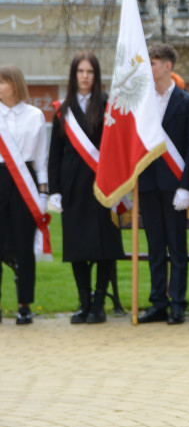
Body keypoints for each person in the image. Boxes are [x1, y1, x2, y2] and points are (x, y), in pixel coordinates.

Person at [47, 52, 125, 324]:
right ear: (73, 74)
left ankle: (99, 303)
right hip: (73, 188)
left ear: (96, 75)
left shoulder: (108, 105)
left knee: (104, 247)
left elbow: (118, 148)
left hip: (103, 186)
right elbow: (55, 154)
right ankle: (84, 302)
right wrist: (54, 190)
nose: (85, 76)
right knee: (77, 248)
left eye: (90, 71)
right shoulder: (62, 109)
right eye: (80, 71)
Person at [137, 42, 189, 325]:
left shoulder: (187, 102)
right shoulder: (142, 103)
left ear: (167, 66)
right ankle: (158, 302)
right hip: (148, 184)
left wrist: (186, 186)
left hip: (175, 187)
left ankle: (178, 303)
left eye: (152, 63)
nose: (148, 68)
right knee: (155, 247)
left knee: (177, 247)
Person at [0, 65, 48, 325]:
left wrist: (43, 192)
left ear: (15, 84)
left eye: (2, 82)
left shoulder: (35, 115)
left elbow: (41, 156)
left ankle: (24, 305)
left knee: (24, 246)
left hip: (25, 180)